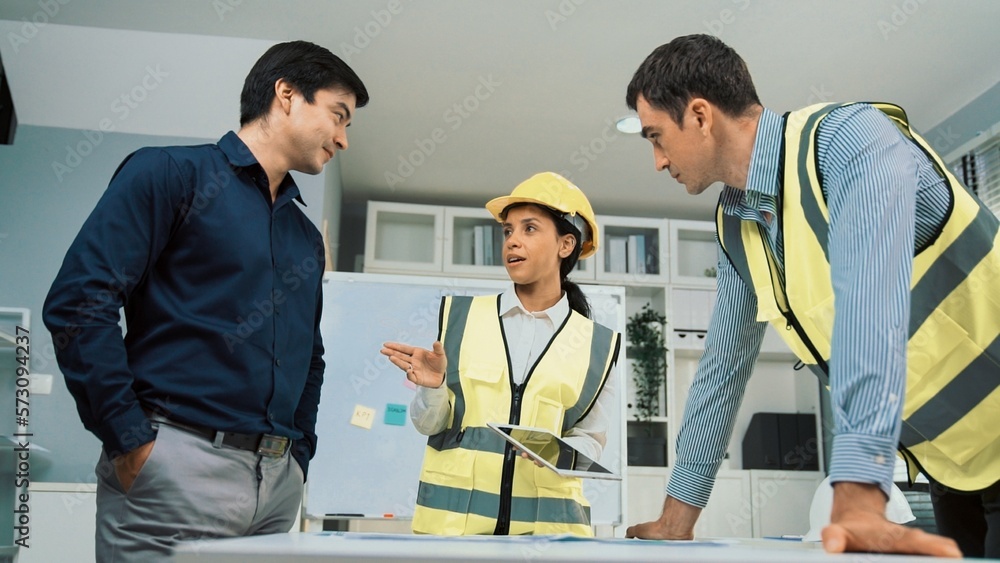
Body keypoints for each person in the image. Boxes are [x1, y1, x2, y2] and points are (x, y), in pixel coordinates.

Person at [622, 34, 999, 558]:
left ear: (701, 116)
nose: (658, 161)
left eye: (656, 136)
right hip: (954, 466)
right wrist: (676, 518)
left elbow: (869, 300)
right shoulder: (738, 225)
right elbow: (720, 372)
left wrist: (861, 488)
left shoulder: (850, 140)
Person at [42, 40, 368, 561]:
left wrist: (297, 456)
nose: (343, 139)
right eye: (338, 116)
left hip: (277, 489)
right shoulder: (170, 175)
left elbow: (311, 356)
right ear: (286, 95)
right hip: (171, 474)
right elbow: (79, 302)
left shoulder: (305, 237)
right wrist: (131, 441)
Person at [380, 172, 622, 536]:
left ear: (566, 245)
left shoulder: (596, 346)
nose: (512, 242)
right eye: (508, 231)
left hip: (548, 541)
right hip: (455, 537)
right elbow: (430, 426)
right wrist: (433, 388)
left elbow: (590, 439)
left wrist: (554, 453)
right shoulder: (461, 318)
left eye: (529, 229)